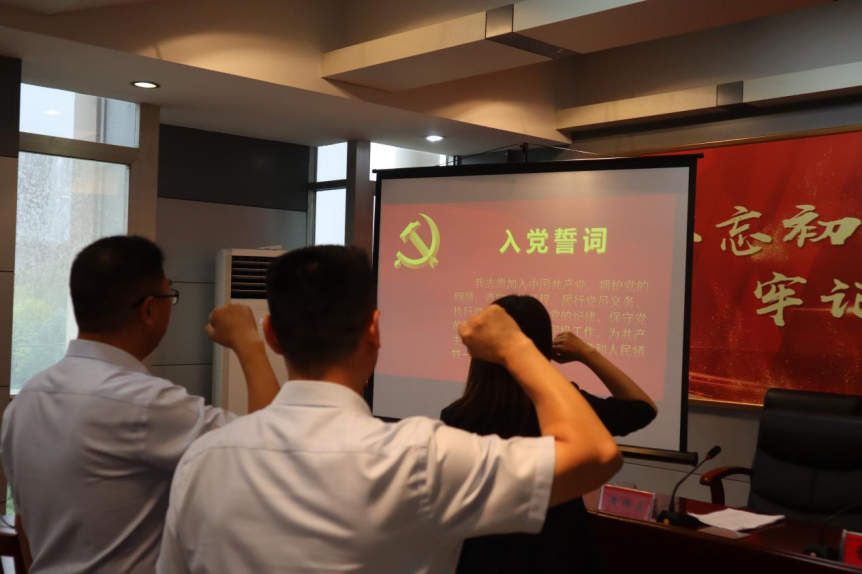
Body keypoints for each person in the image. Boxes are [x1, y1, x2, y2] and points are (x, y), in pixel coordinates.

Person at [157, 245, 623, 574]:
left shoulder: (203, 460)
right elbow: (595, 454)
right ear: (374, 330)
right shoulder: (421, 458)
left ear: (272, 334)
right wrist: (516, 348)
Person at [0, 235, 280, 574]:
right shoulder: (145, 404)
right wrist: (248, 342)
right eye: (169, 295)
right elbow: (273, 448)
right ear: (149, 309)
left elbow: (25, 527)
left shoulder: (26, 400)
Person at [441, 294, 657, 574]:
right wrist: (586, 353)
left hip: (482, 560)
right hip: (560, 557)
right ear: (541, 348)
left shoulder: (456, 417)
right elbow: (643, 408)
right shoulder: (571, 413)